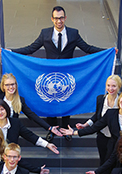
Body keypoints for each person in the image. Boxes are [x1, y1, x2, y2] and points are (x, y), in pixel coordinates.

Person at [9, 5, 107, 139]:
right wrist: (11, 52)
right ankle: (52, 130)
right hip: (50, 75)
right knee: (50, 102)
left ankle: (66, 129)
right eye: (56, 18)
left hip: (67, 75)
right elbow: (31, 48)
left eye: (61, 18)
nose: (59, 21)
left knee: (67, 100)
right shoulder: (45, 33)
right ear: (52, 19)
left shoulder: (73, 33)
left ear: (65, 18)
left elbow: (87, 48)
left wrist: (107, 51)